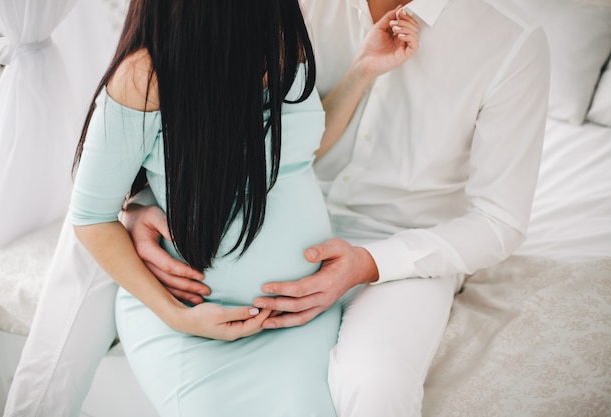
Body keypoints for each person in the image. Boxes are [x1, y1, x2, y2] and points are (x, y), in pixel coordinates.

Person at [124, 0, 551, 416]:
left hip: (400, 249)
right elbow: (209, 117)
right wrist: (143, 203)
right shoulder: (285, 7)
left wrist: (368, 263)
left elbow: (499, 222)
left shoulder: (511, 39)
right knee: (92, 260)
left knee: (374, 386)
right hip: (268, 219)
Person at [3, 1, 420, 416]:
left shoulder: (280, 40)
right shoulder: (145, 76)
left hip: (298, 321)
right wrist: (177, 318)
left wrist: (363, 66)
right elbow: (91, 217)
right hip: (197, 327)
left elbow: (295, 151)